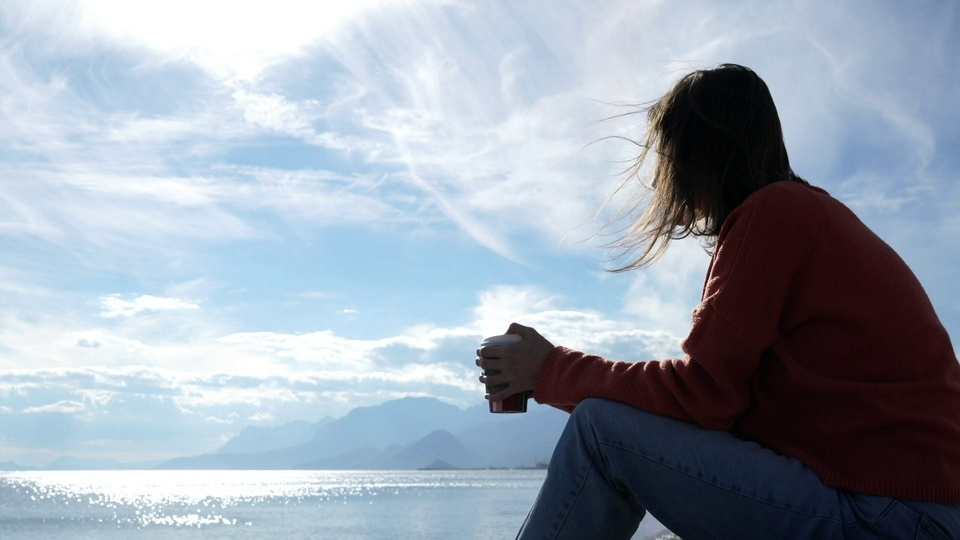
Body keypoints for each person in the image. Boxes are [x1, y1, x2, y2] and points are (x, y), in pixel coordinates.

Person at [475, 64, 960, 539]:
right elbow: (720, 409)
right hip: (916, 507)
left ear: (693, 155)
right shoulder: (812, 217)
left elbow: (702, 396)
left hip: (890, 515)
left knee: (599, 431)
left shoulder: (774, 215)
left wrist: (550, 369)